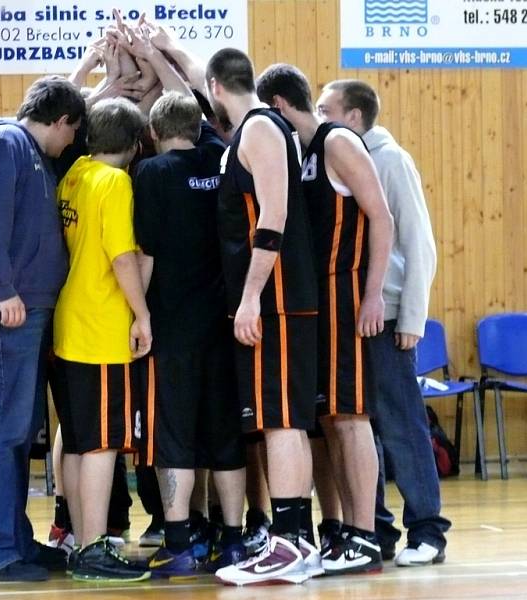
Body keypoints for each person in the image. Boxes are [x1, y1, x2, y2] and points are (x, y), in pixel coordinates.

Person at [0, 75, 85, 581]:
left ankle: (14, 542)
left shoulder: (23, 147)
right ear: (61, 121)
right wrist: (3, 290)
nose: (71, 143)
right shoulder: (6, 143)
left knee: (14, 434)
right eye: (72, 132)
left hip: (12, 312)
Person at [256, 63, 394, 575]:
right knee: (332, 420)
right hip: (317, 300)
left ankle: (366, 534)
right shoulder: (303, 153)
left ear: (277, 108)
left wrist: (375, 293)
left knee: (353, 419)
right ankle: (345, 532)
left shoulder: (338, 143)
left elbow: (382, 216)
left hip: (348, 293)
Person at [316, 79, 450, 566]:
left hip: (389, 314)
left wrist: (412, 314)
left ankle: (428, 530)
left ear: (352, 117)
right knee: (355, 427)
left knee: (402, 425)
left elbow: (419, 244)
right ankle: (375, 530)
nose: (318, 114)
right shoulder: (335, 160)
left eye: (325, 108)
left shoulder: (390, 160)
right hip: (348, 315)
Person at [204, 48, 321, 586]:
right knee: (283, 423)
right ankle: (295, 541)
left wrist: (250, 296)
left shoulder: (259, 130)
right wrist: (158, 48)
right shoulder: (253, 127)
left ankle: (291, 543)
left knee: (281, 423)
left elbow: (273, 216)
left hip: (274, 301)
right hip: (271, 300)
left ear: (216, 87)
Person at [132, 91, 246, 578]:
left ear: (154, 134)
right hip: (223, 322)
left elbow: (146, 253)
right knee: (225, 434)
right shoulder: (220, 161)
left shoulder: (152, 174)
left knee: (172, 435)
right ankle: (234, 542)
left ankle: (178, 542)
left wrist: (139, 314)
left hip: (171, 326)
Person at [51, 98, 151, 582]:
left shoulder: (75, 173)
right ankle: (93, 547)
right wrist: (142, 313)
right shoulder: (115, 182)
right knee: (102, 446)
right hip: (101, 328)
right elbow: (122, 257)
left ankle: (76, 538)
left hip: (68, 322)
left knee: (76, 441)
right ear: (135, 147)